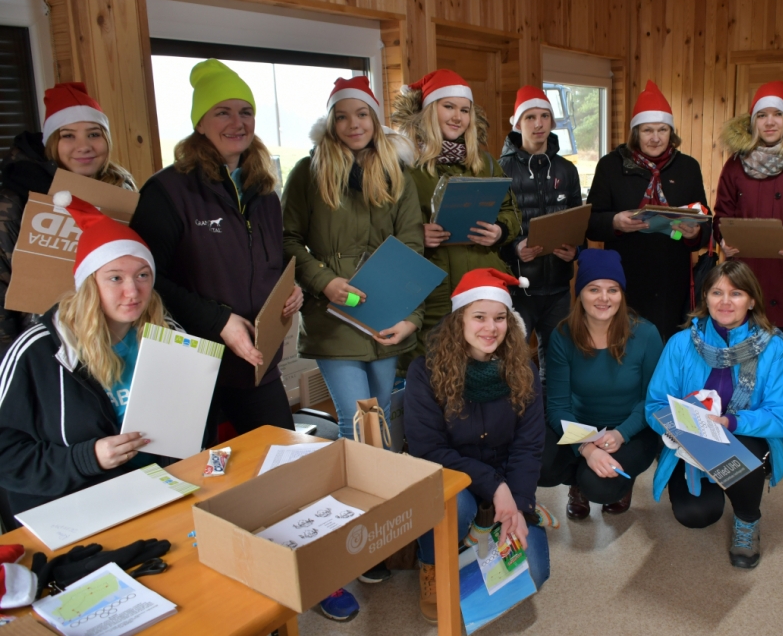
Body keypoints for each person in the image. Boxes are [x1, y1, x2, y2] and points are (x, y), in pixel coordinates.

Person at [282, 76, 419, 618]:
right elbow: (290, 238)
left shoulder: (396, 171)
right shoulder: (308, 171)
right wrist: (323, 281)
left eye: (363, 114)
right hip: (335, 311)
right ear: (331, 123)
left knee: (382, 417)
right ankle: (360, 536)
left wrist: (406, 314)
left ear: (376, 119)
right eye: (344, 116)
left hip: (384, 306)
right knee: (354, 420)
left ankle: (381, 524)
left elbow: (410, 241)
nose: (354, 125)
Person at [131, 59, 302, 444]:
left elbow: (269, 263)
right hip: (193, 367)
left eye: (246, 112)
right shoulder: (167, 192)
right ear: (199, 123)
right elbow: (146, 280)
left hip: (256, 367)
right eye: (221, 112)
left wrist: (290, 290)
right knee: (200, 480)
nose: (236, 123)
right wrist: (219, 321)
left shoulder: (265, 193)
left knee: (286, 463)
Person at [0, 192, 172, 514]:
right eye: (115, 278)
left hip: (157, 492)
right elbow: (7, 457)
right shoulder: (38, 352)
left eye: (142, 275)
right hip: (73, 510)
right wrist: (86, 458)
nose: (133, 291)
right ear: (90, 284)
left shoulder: (170, 338)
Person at [405, 268, 548, 624]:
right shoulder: (426, 372)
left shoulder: (524, 371)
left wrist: (518, 504)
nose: (491, 327)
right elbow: (428, 449)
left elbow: (528, 447)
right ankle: (432, 560)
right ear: (460, 320)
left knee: (533, 573)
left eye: (500, 318)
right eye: (479, 317)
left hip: (506, 485)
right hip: (451, 480)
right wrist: (495, 486)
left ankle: (479, 541)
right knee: (453, 506)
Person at [646, 261, 783, 569]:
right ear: (705, 297)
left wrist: (732, 422)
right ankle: (717, 480)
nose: (725, 302)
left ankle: (747, 520)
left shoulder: (773, 347)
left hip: (744, 436)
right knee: (695, 515)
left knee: (744, 450)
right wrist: (677, 429)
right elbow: (655, 404)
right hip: (691, 442)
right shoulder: (681, 344)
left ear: (752, 300)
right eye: (717, 292)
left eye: (736, 293)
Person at [391, 69, 522, 358]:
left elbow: (511, 210)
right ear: (428, 110)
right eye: (448, 106)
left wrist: (500, 230)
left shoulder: (484, 162)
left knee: (485, 371)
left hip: (481, 283)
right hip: (431, 287)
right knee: (435, 372)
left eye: (464, 110)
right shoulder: (404, 163)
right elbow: (381, 224)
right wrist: (416, 234)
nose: (457, 117)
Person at [0, 83, 136, 357]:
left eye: (94, 134)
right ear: (52, 142)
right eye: (68, 136)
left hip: (115, 339)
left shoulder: (123, 187)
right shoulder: (16, 197)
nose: (83, 146)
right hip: (46, 345)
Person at [714, 81, 783, 380]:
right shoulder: (735, 165)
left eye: (777, 114)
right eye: (762, 115)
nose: (769, 122)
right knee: (738, 367)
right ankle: (735, 425)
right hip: (744, 279)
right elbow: (721, 215)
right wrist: (724, 238)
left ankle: (778, 427)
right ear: (752, 123)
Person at [538, 249, 663, 519]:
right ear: (580, 292)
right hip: (580, 425)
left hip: (631, 428)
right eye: (594, 289)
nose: (604, 298)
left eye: (613, 290)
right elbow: (557, 406)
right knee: (539, 465)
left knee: (601, 487)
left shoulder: (645, 334)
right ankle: (577, 482)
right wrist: (586, 447)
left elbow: (653, 401)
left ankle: (614, 483)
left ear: (622, 294)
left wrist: (621, 434)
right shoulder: (563, 335)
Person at [587, 80, 710, 341]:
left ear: (671, 132)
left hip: (672, 277)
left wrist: (694, 231)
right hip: (624, 275)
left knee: (668, 346)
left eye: (662, 130)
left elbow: (704, 218)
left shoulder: (687, 167)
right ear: (635, 133)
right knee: (625, 345)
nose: (655, 137)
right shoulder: (610, 166)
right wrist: (615, 222)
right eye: (647, 130)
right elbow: (590, 222)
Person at [498, 85, 582, 382]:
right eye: (530, 117)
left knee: (558, 362)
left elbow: (578, 223)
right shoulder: (500, 170)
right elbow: (490, 234)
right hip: (517, 287)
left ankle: (555, 422)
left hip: (558, 286)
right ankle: (519, 421)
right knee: (515, 361)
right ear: (518, 124)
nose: (538, 123)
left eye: (545, 116)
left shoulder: (567, 170)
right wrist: (513, 250)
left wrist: (576, 250)